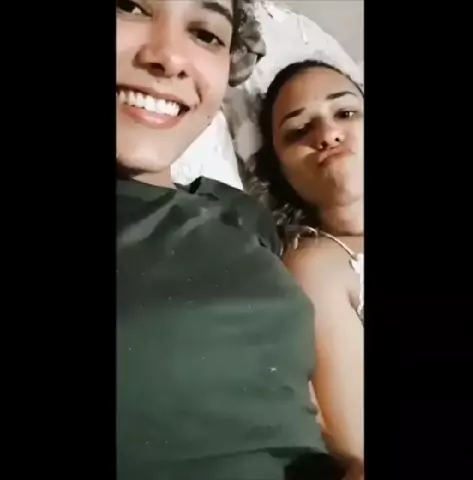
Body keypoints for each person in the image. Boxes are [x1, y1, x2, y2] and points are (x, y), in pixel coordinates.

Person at [116, 2, 346, 479]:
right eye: (129, 6)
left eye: (206, 34)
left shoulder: (238, 214)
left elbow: (295, 413)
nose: (170, 57)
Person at [249, 59, 364, 475]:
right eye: (299, 131)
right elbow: (358, 447)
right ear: (280, 173)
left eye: (346, 112)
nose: (328, 134)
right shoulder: (317, 267)